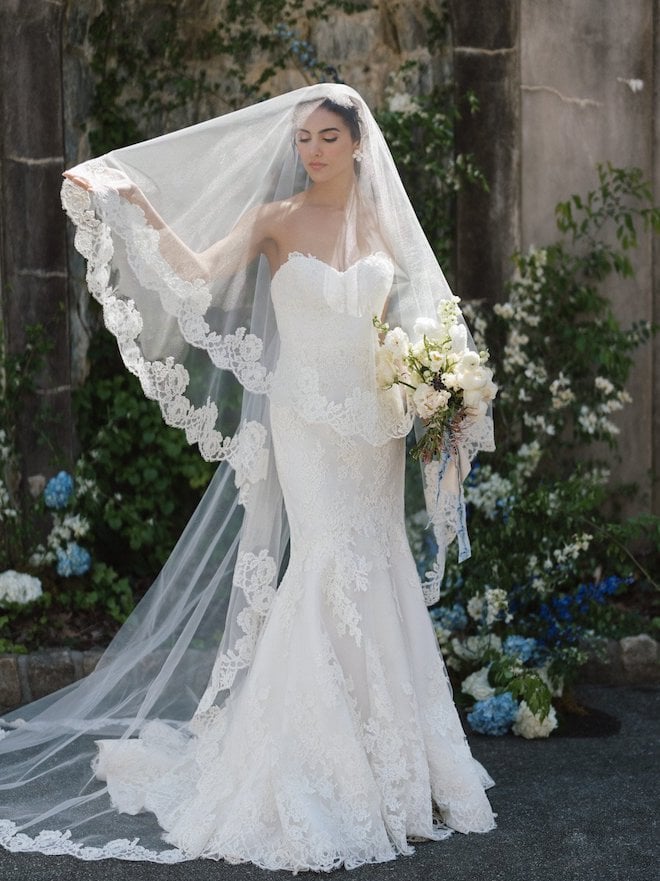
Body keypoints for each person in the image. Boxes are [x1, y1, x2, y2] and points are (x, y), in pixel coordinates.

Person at [0, 83, 496, 872]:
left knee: (378, 565)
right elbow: (197, 275)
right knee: (326, 560)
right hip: (304, 420)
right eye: (304, 138)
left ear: (358, 144)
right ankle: (306, 759)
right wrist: (133, 203)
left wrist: (441, 390)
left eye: (328, 138)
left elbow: (416, 323)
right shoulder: (274, 219)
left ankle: (392, 761)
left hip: (375, 426)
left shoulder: (383, 224)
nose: (312, 150)